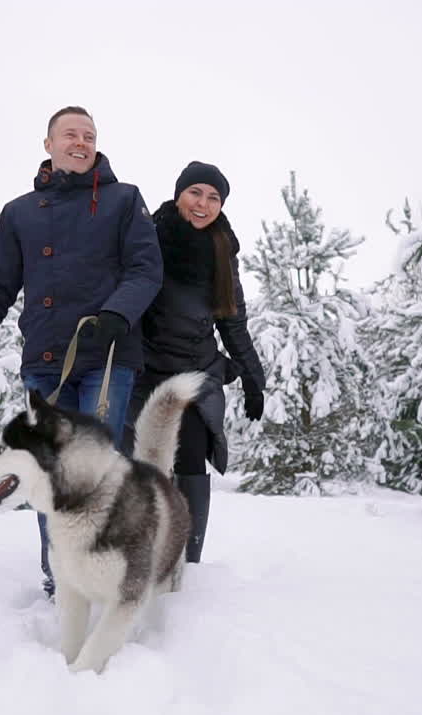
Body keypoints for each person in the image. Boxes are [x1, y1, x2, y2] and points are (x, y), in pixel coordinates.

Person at [0, 106, 162, 598]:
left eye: (90, 135)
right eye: (70, 134)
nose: (81, 142)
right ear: (48, 144)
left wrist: (116, 316)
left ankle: (105, 570)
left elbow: (145, 270)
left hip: (110, 356)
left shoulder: (124, 200)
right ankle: (62, 579)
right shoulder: (21, 213)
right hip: (47, 359)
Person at [127, 161, 267, 563]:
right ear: (178, 195)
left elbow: (233, 321)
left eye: (214, 198)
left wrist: (254, 380)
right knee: (141, 460)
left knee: (189, 455)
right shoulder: (149, 239)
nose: (203, 204)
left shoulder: (224, 251)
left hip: (195, 371)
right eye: (196, 193)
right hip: (145, 370)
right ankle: (136, 552)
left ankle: (187, 560)